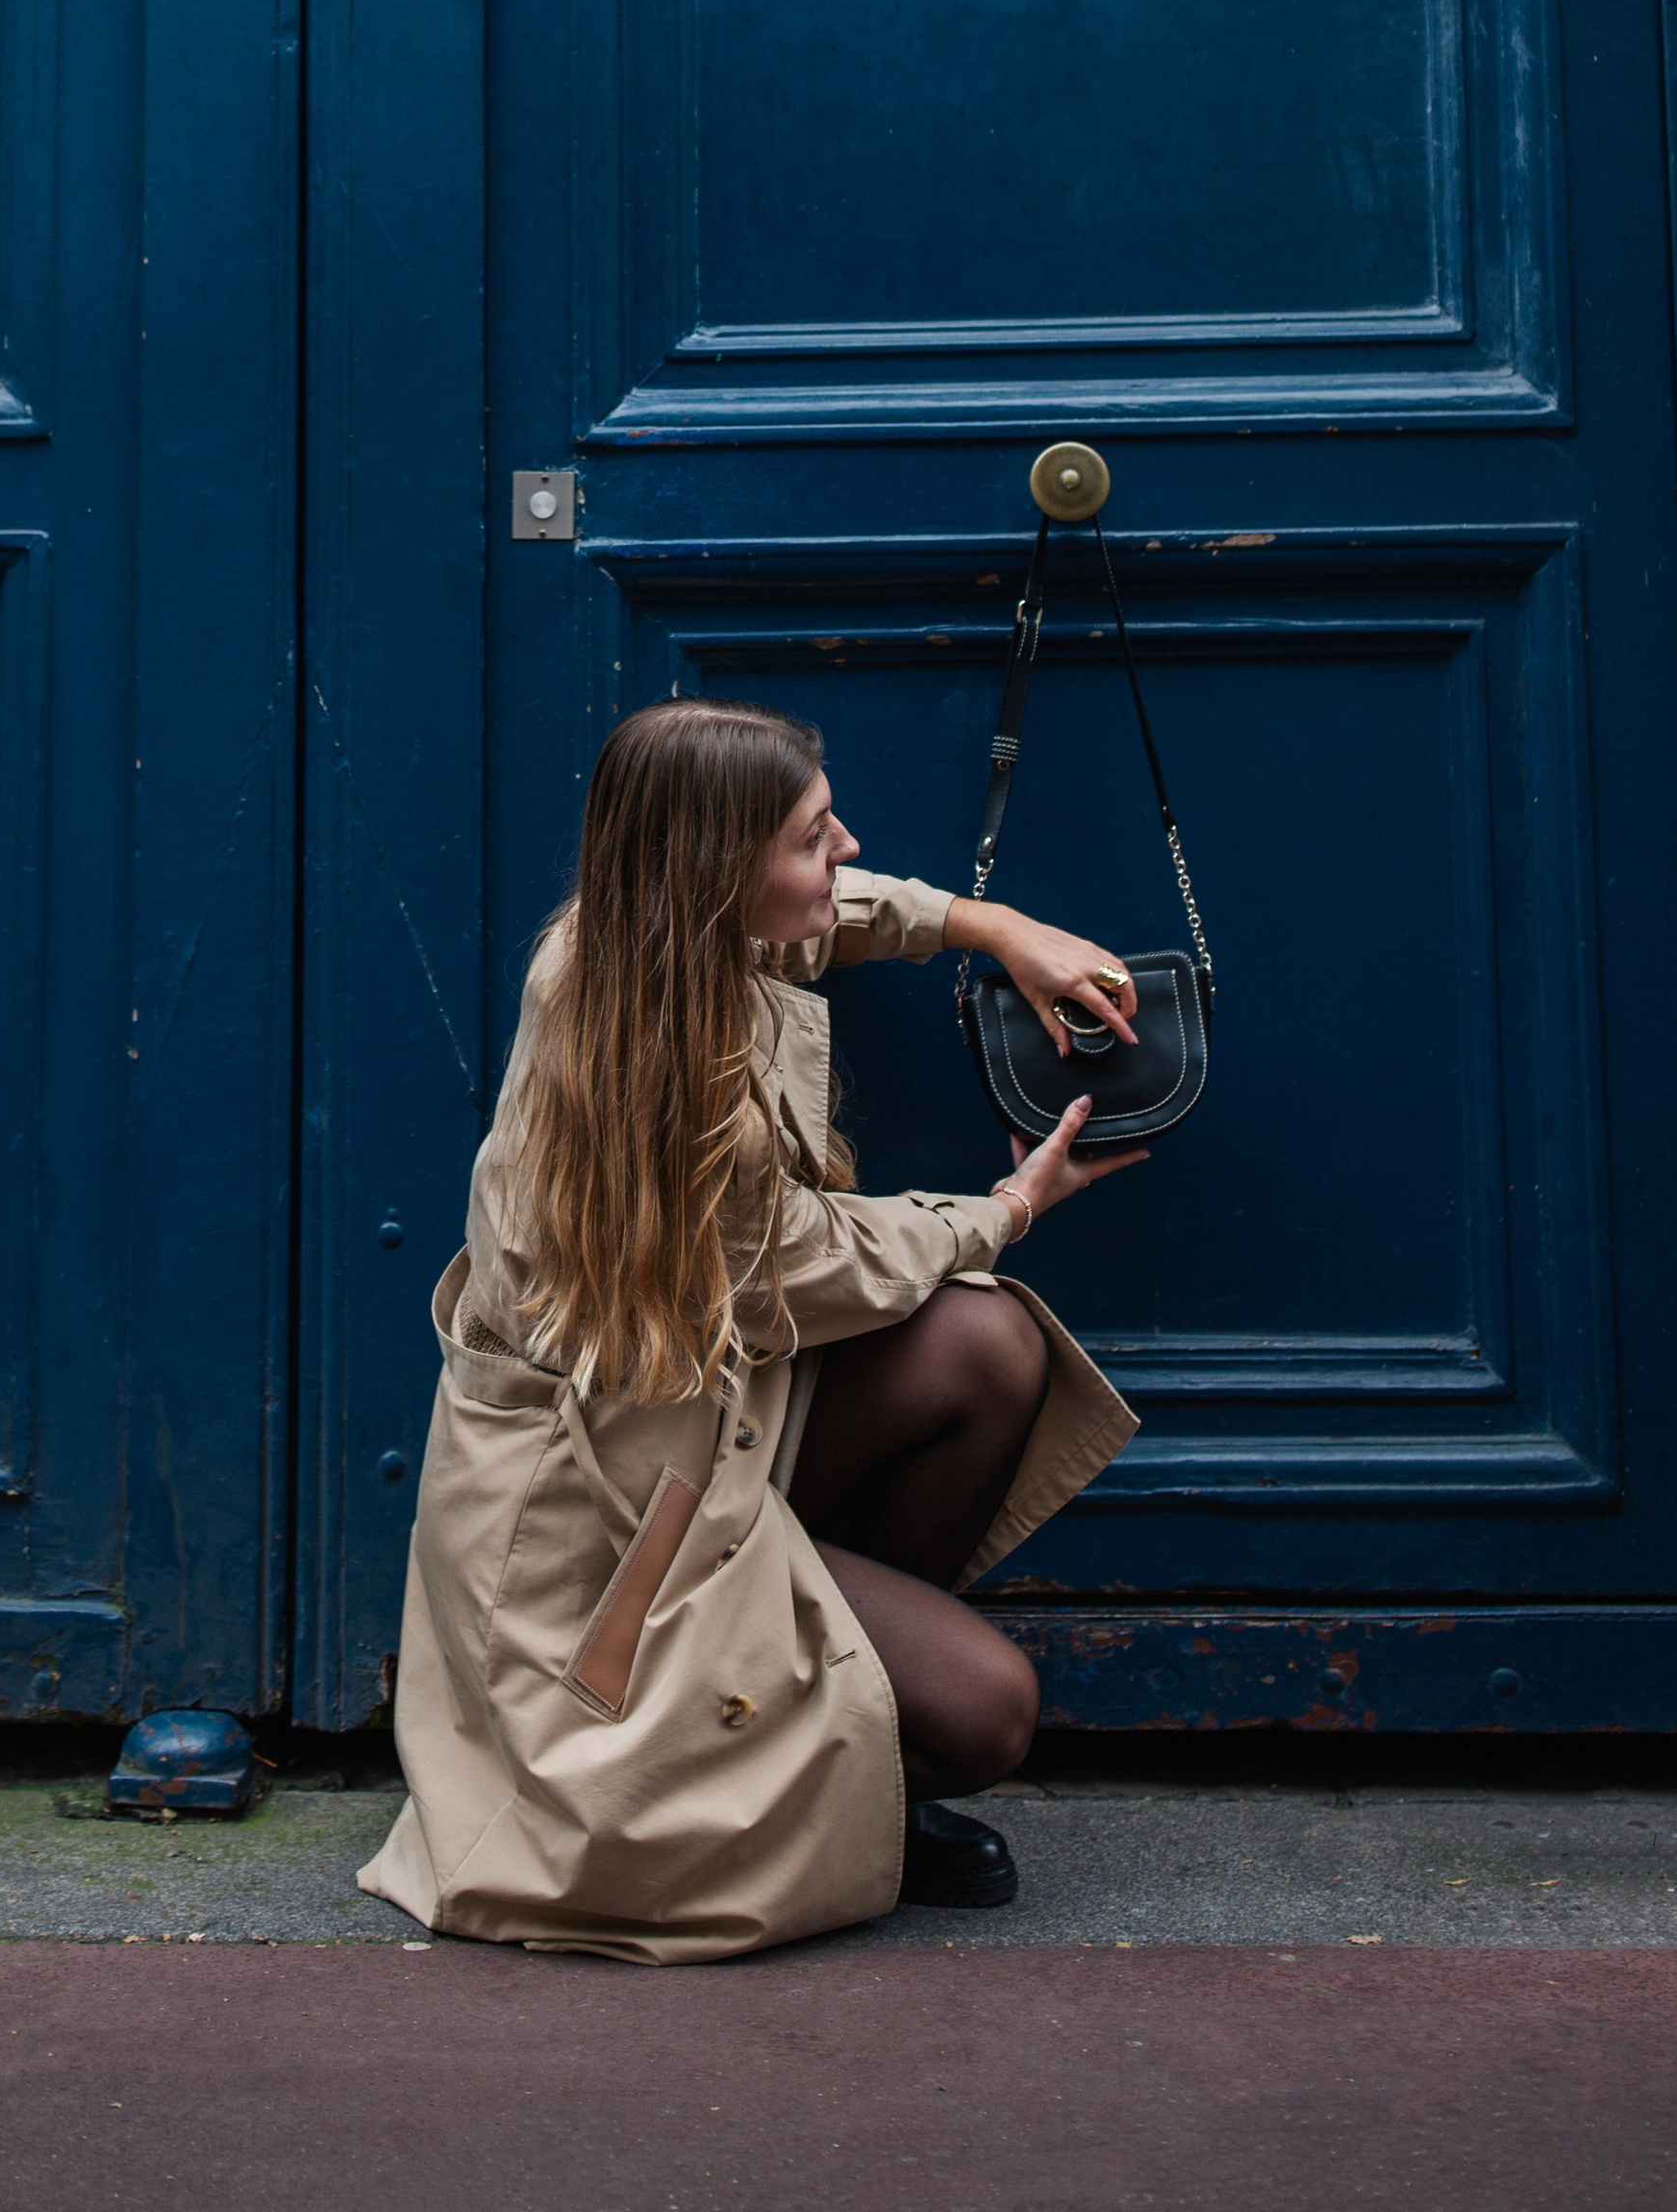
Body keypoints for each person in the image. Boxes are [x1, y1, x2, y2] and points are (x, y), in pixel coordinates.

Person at [357, 696, 1147, 1963]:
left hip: (702, 1433)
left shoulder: (650, 940)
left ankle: (812, 1715)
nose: (843, 850)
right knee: (992, 1714)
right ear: (717, 871)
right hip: (609, 1522)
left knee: (986, 1350)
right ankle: (797, 1749)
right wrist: (1004, 1207)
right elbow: (801, 1262)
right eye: (810, 837)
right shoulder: (652, 1074)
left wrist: (996, 928)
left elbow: (837, 914)